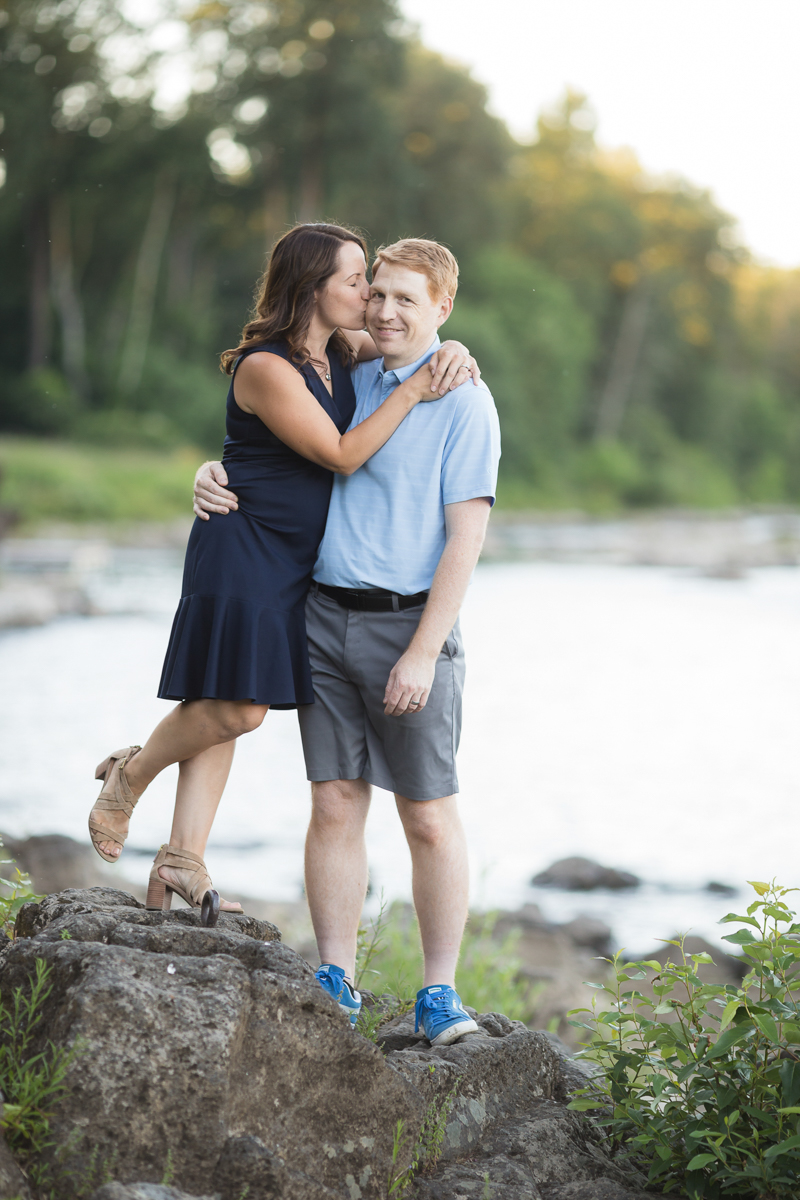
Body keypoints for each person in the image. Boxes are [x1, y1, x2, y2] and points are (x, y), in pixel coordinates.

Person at [87, 223, 477, 926]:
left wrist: (450, 350)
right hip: (246, 545)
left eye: (372, 282)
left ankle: (183, 855)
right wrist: (417, 390)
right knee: (239, 707)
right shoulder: (267, 366)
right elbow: (340, 453)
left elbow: (419, 335)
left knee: (225, 708)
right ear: (313, 288)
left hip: (298, 561)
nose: (369, 296)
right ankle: (132, 774)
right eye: (358, 281)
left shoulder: (343, 351)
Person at [193, 238, 501, 1046]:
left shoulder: (463, 399)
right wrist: (211, 468)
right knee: (334, 802)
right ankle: (338, 979)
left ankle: (440, 992)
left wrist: (425, 650)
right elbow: (275, 441)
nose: (388, 310)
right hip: (323, 616)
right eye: (379, 294)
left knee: (428, 816)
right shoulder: (349, 374)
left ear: (443, 309)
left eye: (409, 299)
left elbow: (465, 539)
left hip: (410, 626)